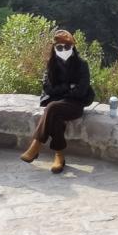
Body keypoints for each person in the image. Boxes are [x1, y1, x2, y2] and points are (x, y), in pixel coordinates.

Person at [20, 29, 95, 173]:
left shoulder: (81, 65)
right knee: (55, 116)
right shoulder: (51, 64)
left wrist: (60, 90)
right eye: (59, 47)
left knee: (52, 107)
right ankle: (59, 156)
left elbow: (81, 91)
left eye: (67, 47)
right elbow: (48, 88)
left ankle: (36, 145)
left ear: (72, 47)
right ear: (54, 48)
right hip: (57, 104)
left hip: (75, 104)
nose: (63, 50)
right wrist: (68, 86)